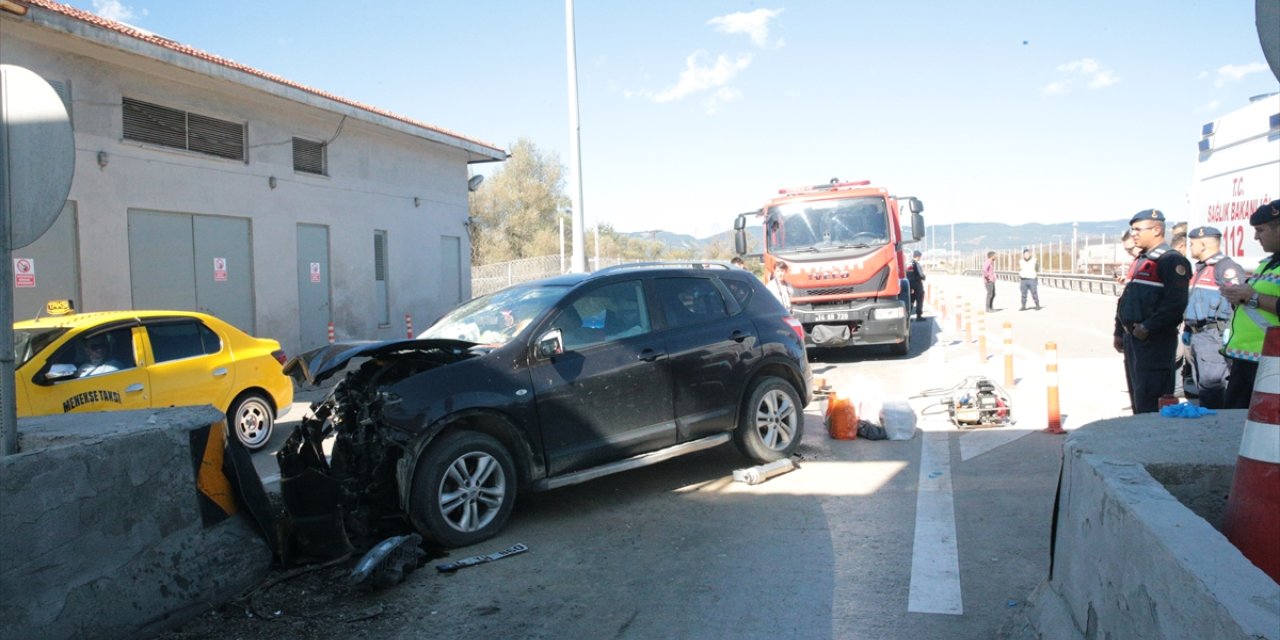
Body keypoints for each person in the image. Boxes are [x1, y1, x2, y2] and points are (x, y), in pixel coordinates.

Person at [1112, 209, 1191, 413]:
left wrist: (1148, 327)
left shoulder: (1170, 260)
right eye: (1133, 229)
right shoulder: (1141, 260)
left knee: (1152, 400)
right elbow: (1126, 300)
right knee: (1139, 399)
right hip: (1133, 339)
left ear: (1157, 230)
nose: (1134, 234)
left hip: (1153, 341)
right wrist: (1119, 331)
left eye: (1138, 229)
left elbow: (1175, 304)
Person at [1220, 200, 1280, 408]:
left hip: (1272, 364)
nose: (1256, 237)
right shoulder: (1269, 263)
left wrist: (1252, 297)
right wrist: (1238, 297)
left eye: (1260, 230)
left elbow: (1258, 298)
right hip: (1250, 360)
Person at [1181, 226, 1244, 408]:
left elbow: (1238, 302)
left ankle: (1214, 429)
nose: (1190, 248)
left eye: (1192, 244)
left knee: (1213, 389)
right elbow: (1194, 303)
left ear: (1203, 245)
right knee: (1202, 387)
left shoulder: (1224, 268)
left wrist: (1230, 331)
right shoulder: (1201, 269)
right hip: (1198, 336)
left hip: (1213, 337)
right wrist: (1187, 328)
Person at [906, 249, 926, 321]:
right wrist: (923, 277)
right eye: (920, 257)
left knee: (910, 300)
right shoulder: (916, 264)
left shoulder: (908, 263)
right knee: (920, 299)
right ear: (917, 256)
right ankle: (918, 316)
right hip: (917, 284)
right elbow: (921, 274)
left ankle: (907, 317)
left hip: (909, 284)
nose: (920, 258)